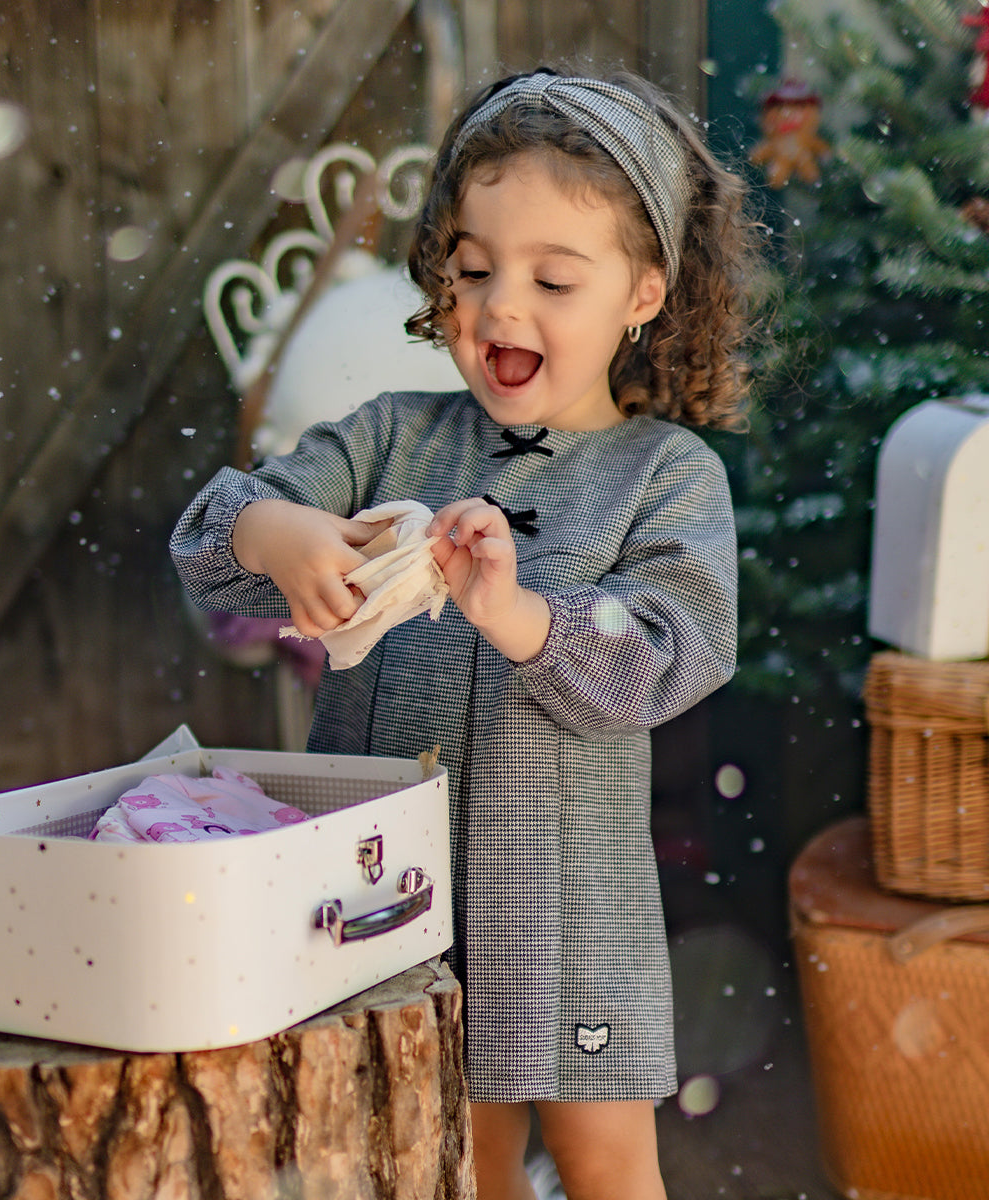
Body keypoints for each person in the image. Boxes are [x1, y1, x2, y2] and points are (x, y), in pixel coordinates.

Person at [171, 64, 766, 1200]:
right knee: (451, 1152)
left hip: (574, 910)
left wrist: (519, 614)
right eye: (475, 269)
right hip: (391, 898)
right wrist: (283, 536)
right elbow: (209, 536)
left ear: (641, 292)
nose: (501, 308)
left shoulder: (663, 474)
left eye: (553, 278)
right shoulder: (390, 438)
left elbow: (677, 649)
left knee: (605, 1164)